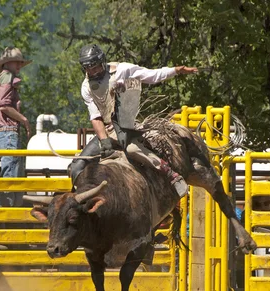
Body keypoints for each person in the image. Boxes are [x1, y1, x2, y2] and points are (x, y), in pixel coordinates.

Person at [68, 44, 198, 197]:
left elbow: (152, 75)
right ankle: (83, 200)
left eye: (95, 67)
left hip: (125, 123)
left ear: (102, 62)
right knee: (76, 167)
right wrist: (104, 140)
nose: (92, 71)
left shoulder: (122, 70)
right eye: (89, 69)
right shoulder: (86, 87)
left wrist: (176, 70)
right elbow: (95, 116)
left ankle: (171, 175)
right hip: (106, 129)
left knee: (131, 149)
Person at [0, 46, 32, 208]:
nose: (18, 65)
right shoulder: (8, 78)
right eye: (15, 62)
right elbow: (4, 105)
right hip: (9, 134)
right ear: (6, 64)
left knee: (8, 179)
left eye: (19, 62)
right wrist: (24, 120)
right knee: (10, 182)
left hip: (1, 137)